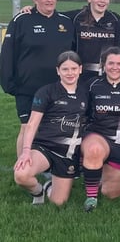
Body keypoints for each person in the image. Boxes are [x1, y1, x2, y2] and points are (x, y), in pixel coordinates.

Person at [1, 0, 74, 157]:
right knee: (27, 127)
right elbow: (7, 55)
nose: (49, 0)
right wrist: (9, 84)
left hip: (57, 88)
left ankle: (50, 165)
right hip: (28, 88)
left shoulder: (66, 22)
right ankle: (22, 168)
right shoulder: (21, 20)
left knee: (53, 128)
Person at [13, 51, 87, 206]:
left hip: (68, 153)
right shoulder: (46, 91)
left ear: (80, 69)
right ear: (58, 71)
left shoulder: (86, 93)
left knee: (58, 202)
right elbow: (32, 124)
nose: (70, 73)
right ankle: (38, 192)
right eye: (65, 69)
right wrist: (26, 151)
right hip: (45, 147)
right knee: (21, 175)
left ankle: (48, 186)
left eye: (73, 69)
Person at [80, 47, 120, 212]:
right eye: (110, 63)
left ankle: (99, 171)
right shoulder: (92, 84)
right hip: (99, 136)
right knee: (95, 149)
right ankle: (91, 198)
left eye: (119, 64)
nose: (115, 67)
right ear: (103, 65)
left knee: (110, 194)